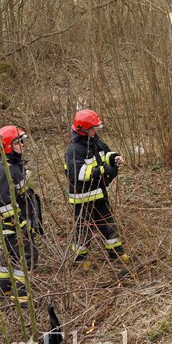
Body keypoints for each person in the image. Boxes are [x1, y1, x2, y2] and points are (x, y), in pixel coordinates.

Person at [65, 109, 130, 267]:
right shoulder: (74, 150)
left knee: (108, 225)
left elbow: (105, 154)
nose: (95, 131)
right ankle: (81, 261)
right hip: (82, 198)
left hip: (99, 195)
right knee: (83, 230)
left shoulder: (95, 142)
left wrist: (115, 158)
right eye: (93, 128)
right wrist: (102, 171)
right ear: (83, 130)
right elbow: (78, 173)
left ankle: (117, 254)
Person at [0, 125, 42, 307]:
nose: (22, 145)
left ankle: (5, 290)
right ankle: (20, 299)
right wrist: (20, 223)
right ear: (7, 146)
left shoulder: (12, 166)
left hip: (12, 224)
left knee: (10, 256)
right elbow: (4, 203)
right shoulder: (5, 170)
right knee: (27, 255)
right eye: (18, 142)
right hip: (11, 225)